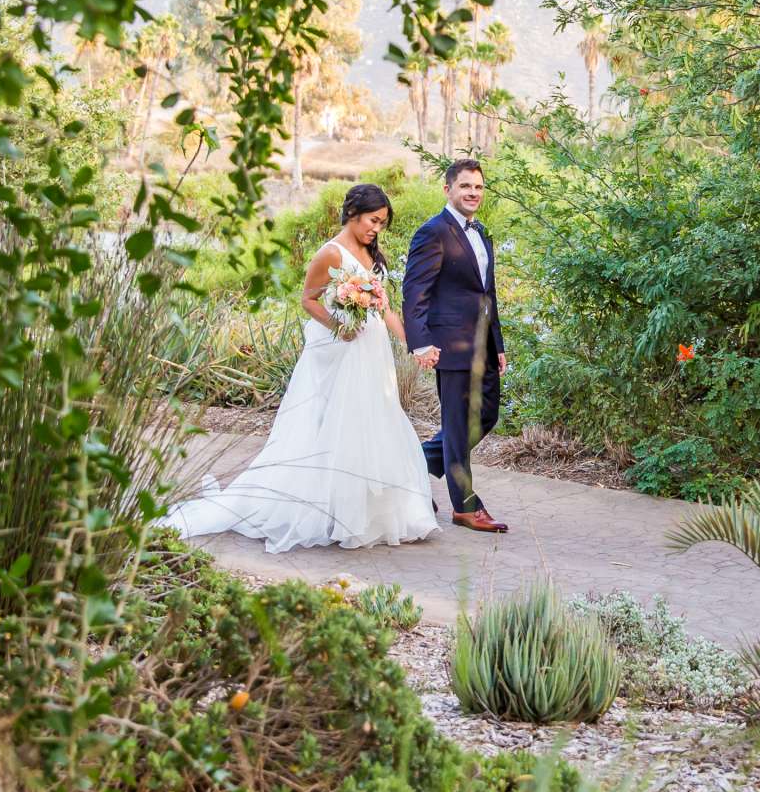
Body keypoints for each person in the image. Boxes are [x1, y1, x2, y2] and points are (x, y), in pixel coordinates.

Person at [164, 184, 437, 553]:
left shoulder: (371, 253)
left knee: (377, 421)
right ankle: (335, 513)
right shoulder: (330, 253)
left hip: (374, 353)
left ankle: (376, 514)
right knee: (343, 426)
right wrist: (339, 325)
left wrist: (413, 343)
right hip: (345, 353)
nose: (377, 229)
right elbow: (308, 300)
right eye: (373, 220)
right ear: (353, 213)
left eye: (382, 223)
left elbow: (385, 309)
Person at [402, 156, 508, 532]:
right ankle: (464, 506)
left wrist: (498, 342)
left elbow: (486, 293)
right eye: (465, 186)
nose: (473, 193)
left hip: (482, 345)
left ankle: (409, 467)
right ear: (448, 189)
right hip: (450, 345)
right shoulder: (433, 232)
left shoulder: (482, 233)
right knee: (459, 425)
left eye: (478, 187)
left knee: (487, 415)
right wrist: (420, 343)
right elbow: (415, 290)